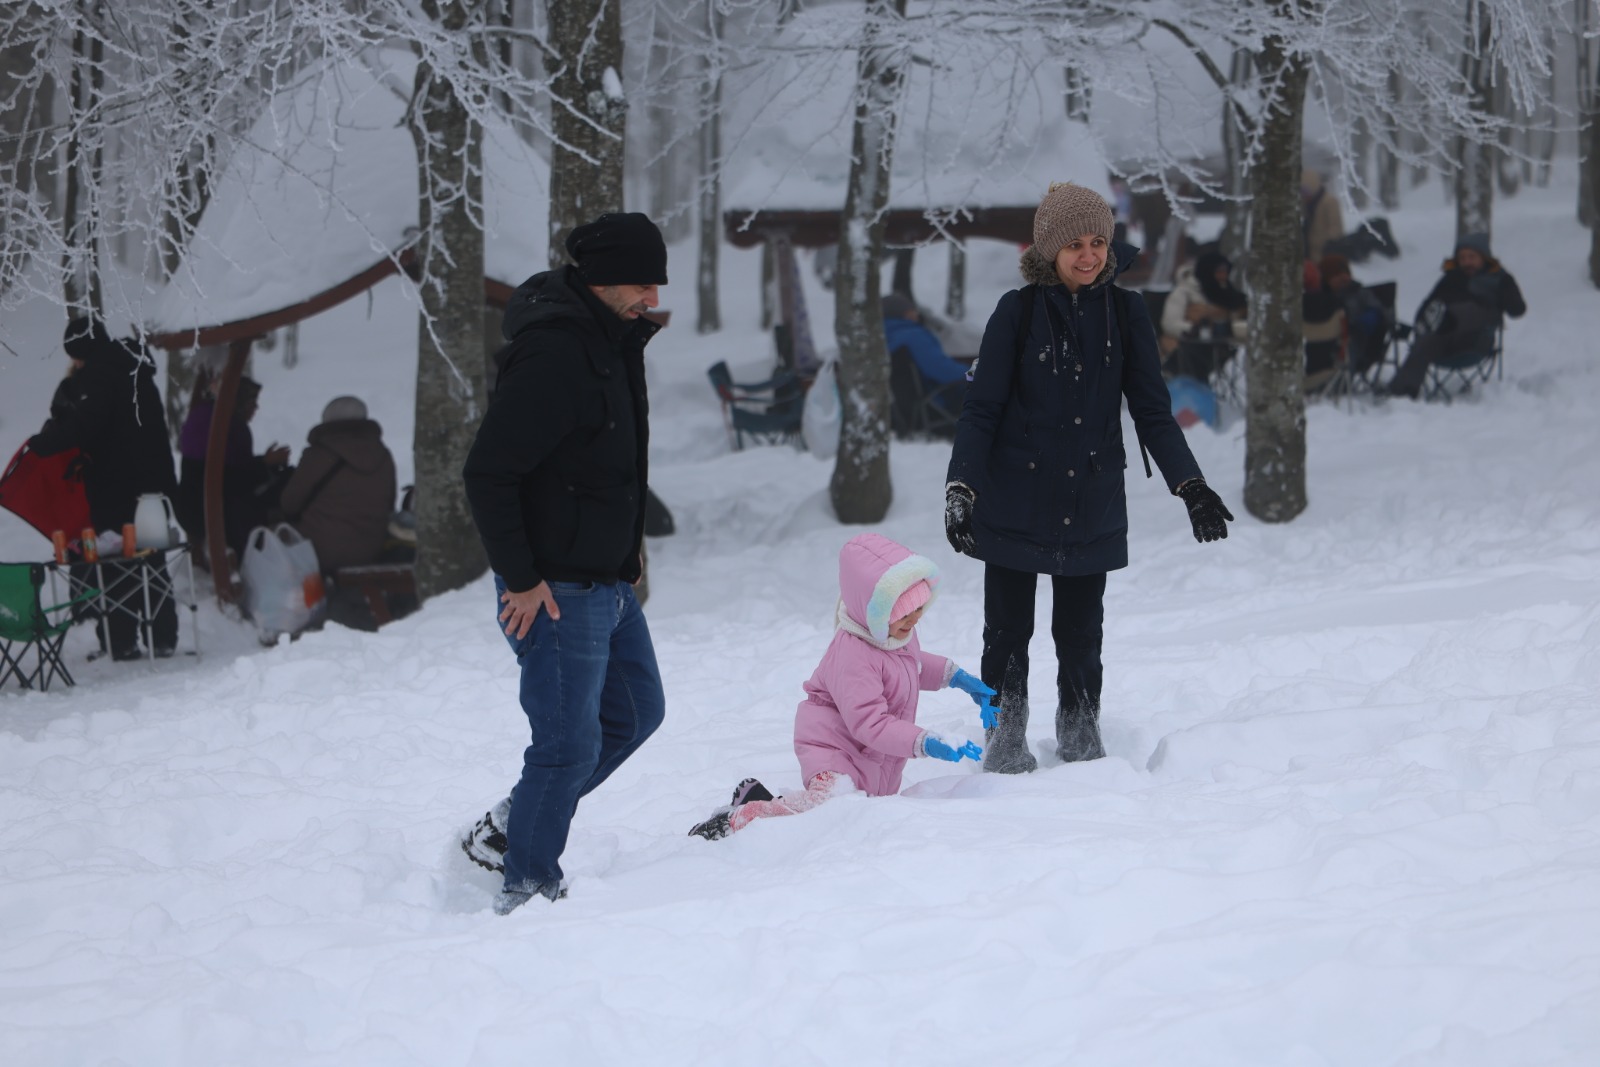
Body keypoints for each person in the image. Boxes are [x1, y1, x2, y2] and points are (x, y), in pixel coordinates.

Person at [944, 182, 1234, 774]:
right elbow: (981, 411)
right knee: (1007, 634)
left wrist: (1191, 486)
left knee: (1081, 635)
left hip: (1090, 498)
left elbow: (1152, 412)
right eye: (1074, 244)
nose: (1089, 255)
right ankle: (1004, 742)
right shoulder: (1016, 312)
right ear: (1049, 249)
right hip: (1014, 496)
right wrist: (961, 487)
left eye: (1098, 242)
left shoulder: (1125, 314)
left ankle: (1080, 739)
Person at [459, 211, 670, 915]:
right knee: (565, 745)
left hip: (605, 578)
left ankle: (510, 827)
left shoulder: (613, 340)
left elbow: (610, 465)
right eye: (642, 284)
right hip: (551, 588)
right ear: (603, 279)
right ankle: (527, 887)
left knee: (635, 713)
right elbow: (488, 473)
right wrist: (521, 578)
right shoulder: (554, 353)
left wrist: (625, 550)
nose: (653, 299)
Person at [684, 533, 997, 840]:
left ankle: (761, 800)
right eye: (904, 613)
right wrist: (925, 741)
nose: (914, 619)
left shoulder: (894, 634)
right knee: (828, 808)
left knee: (853, 813)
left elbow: (910, 664)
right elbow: (871, 723)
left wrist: (955, 677)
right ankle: (739, 820)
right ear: (875, 612)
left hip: (867, 753)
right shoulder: (854, 656)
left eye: (919, 608)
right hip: (833, 747)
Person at [28, 316, 180, 661]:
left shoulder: (99, 376)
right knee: (152, 559)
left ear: (81, 350)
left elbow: (85, 426)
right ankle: (163, 637)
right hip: (154, 484)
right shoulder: (136, 369)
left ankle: (120, 641)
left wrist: (42, 444)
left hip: (116, 487)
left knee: (115, 561)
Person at [1382, 233, 1525, 400]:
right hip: (1445, 340)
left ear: (1484, 257)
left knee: (1470, 309)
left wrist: (1506, 291)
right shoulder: (1451, 278)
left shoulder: (1499, 279)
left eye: (1472, 257)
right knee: (1426, 340)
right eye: (1462, 258)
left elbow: (1518, 311)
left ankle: (1445, 318)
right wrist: (1422, 322)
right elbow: (1427, 305)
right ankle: (1401, 393)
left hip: (1477, 340)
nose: (1467, 262)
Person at [175, 375, 292, 560]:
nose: (256, 408)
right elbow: (234, 481)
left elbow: (229, 468)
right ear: (239, 402)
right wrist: (265, 463)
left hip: (188, 508)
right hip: (212, 512)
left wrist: (265, 462)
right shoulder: (229, 426)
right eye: (252, 402)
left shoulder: (206, 415)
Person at [280, 396, 397, 575]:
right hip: (373, 548)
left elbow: (290, 504)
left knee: (272, 534)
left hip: (321, 550)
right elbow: (390, 503)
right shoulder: (383, 455)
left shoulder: (318, 455)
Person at [1158, 246, 1248, 380]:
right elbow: (1169, 323)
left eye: (1226, 272)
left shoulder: (1226, 294)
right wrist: (1193, 329)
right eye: (1219, 272)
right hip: (1181, 349)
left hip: (1215, 347)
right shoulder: (1184, 292)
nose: (1223, 276)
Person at [882, 291, 969, 416]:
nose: (916, 313)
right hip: (936, 405)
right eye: (912, 310)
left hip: (906, 409)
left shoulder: (882, 340)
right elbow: (941, 370)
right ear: (904, 313)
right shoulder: (913, 336)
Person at [1316, 252, 1393, 378]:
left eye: (1346, 273)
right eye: (1337, 275)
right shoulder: (1320, 296)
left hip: (1355, 338)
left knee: (1348, 347)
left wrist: (1373, 315)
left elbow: (1381, 310)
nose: (1343, 277)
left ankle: (1342, 380)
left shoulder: (1360, 293)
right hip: (1324, 339)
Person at [1300, 168, 1345, 262]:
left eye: (1306, 191)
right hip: (1310, 253)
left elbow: (1336, 228)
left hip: (1326, 254)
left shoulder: (1329, 201)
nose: (1304, 195)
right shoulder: (1306, 203)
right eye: (1302, 192)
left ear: (1313, 186)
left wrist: (1329, 244)